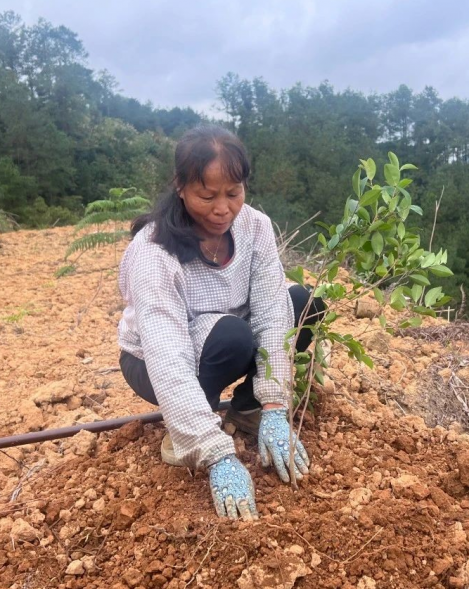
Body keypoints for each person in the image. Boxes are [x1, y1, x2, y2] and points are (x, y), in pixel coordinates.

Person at [116, 125, 324, 520]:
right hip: (151, 362)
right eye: (207, 196)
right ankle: (191, 429)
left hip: (226, 336)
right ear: (181, 187)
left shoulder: (255, 226)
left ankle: (248, 411)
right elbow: (167, 354)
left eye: (233, 193)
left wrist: (276, 404)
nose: (223, 209)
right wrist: (215, 453)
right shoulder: (153, 252)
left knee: (300, 302)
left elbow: (270, 309)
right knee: (233, 335)